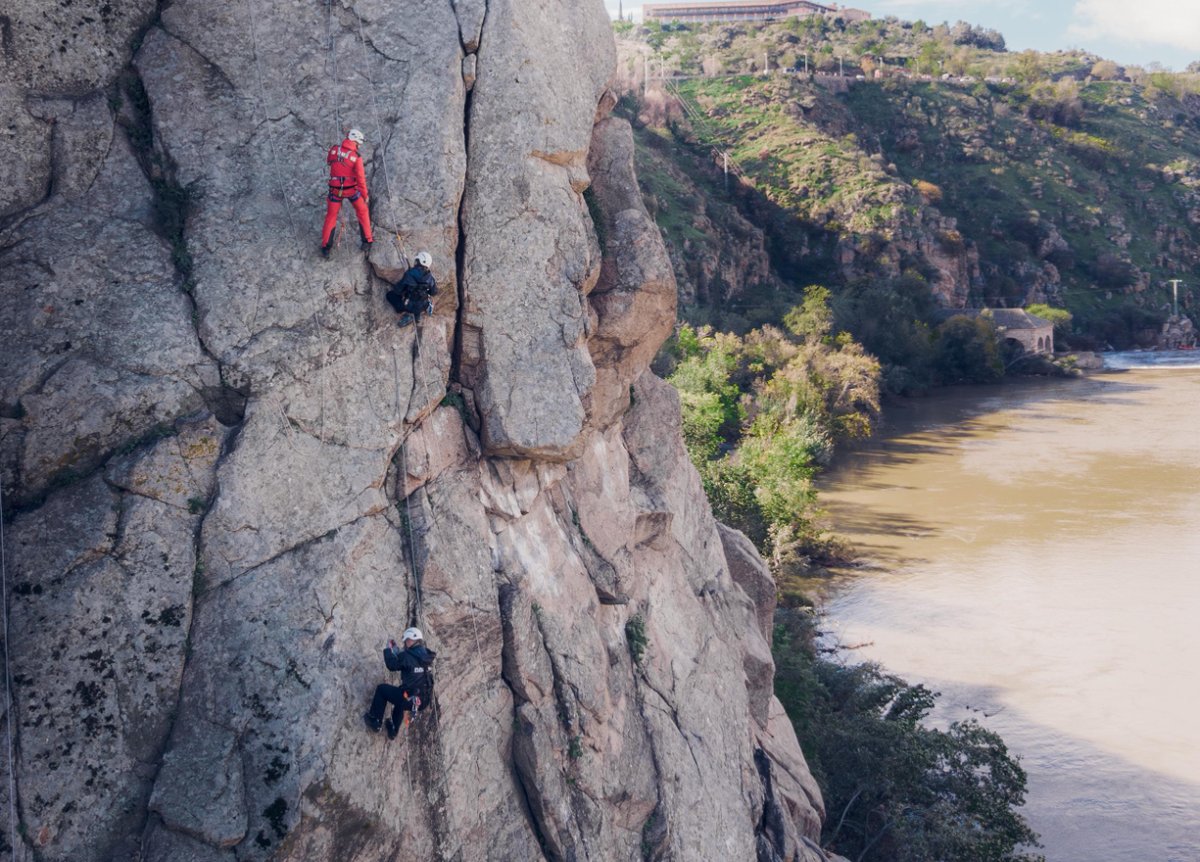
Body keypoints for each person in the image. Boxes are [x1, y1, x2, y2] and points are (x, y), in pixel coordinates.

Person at [363, 627, 436, 739]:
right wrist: (399, 653)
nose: (405, 642)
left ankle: (375, 721)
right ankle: (393, 731)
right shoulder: (426, 655)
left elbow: (392, 665)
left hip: (410, 699)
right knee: (401, 695)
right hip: (423, 701)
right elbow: (411, 663)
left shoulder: (407, 656)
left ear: (412, 640)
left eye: (407, 640)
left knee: (382, 690)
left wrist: (388, 650)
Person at [321, 128, 372, 257]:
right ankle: (367, 241)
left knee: (331, 216)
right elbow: (361, 179)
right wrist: (365, 195)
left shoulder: (333, 150)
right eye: (359, 143)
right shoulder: (356, 157)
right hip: (351, 191)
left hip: (335, 191)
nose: (359, 146)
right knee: (362, 211)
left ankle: (326, 247)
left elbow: (329, 162)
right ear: (356, 141)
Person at [385, 251, 437, 327]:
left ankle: (408, 315)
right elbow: (434, 292)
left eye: (417, 260)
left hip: (409, 306)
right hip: (423, 305)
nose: (415, 262)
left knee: (390, 295)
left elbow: (398, 290)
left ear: (419, 262)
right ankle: (417, 315)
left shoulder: (410, 274)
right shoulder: (430, 277)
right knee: (418, 301)